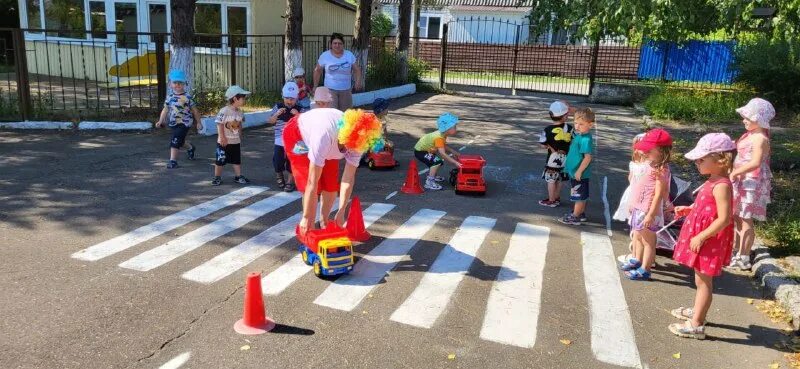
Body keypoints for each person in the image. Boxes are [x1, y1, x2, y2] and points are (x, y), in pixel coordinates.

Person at [283, 89, 383, 235]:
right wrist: (306, 217)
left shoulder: (359, 139)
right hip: (297, 134)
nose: (352, 151)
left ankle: (324, 221)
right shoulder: (323, 137)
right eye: (350, 146)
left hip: (331, 139)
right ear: (345, 137)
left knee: (330, 184)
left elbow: (348, 180)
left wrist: (341, 211)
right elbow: (312, 182)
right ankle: (309, 225)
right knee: (310, 180)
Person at [669, 133, 737, 340]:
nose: (697, 162)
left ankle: (697, 323)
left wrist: (701, 237)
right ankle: (699, 310)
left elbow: (724, 218)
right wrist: (690, 209)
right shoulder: (712, 180)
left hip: (709, 240)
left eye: (701, 159)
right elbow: (708, 208)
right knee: (700, 280)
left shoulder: (722, 185)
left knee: (703, 282)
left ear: (720, 160)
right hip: (705, 237)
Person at [728, 98, 774, 271]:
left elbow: (755, 162)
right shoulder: (750, 135)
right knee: (737, 215)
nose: (744, 120)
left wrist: (735, 172)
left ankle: (744, 256)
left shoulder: (760, 138)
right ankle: (736, 251)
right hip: (741, 180)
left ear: (758, 119)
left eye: (747, 117)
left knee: (745, 218)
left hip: (751, 182)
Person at [621, 128, 672, 280]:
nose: (645, 151)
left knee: (648, 240)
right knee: (637, 234)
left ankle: (645, 268)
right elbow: (638, 185)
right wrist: (633, 203)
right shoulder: (650, 164)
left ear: (661, 150)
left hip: (648, 210)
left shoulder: (661, 170)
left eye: (649, 149)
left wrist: (651, 213)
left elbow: (658, 194)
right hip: (639, 207)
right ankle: (637, 259)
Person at [155, 70, 202, 169]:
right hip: (173, 122)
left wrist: (199, 122)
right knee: (180, 141)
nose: (177, 85)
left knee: (175, 140)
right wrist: (161, 120)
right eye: (175, 82)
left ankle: (173, 161)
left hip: (185, 123)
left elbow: (195, 111)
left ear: (184, 84)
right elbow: (165, 109)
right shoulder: (170, 97)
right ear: (170, 84)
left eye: (180, 83)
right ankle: (190, 147)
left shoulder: (187, 97)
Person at [559, 108, 595, 225]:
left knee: (578, 196)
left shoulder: (585, 139)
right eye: (575, 123)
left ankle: (575, 216)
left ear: (590, 125)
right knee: (580, 195)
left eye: (581, 124)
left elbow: (587, 157)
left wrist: (579, 171)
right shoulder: (580, 135)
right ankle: (580, 213)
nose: (577, 126)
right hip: (576, 172)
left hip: (579, 174)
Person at [212, 85, 251, 186]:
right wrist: (222, 137)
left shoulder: (240, 112)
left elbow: (240, 123)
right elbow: (219, 124)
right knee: (220, 160)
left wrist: (240, 135)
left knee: (236, 160)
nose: (244, 100)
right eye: (243, 98)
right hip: (224, 142)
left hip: (235, 141)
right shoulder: (224, 111)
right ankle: (217, 177)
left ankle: (238, 176)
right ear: (235, 98)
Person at [267, 82, 303, 192]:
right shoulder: (278, 107)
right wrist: (276, 114)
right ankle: (279, 174)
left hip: (295, 140)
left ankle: (290, 181)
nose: (289, 101)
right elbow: (270, 121)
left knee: (293, 161)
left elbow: (306, 123)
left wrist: (297, 115)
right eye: (287, 98)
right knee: (278, 160)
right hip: (280, 140)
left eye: (292, 99)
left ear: (296, 98)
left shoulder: (300, 108)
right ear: (283, 97)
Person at [538, 100, 575, 207]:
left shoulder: (548, 129)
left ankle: (551, 200)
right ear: (565, 116)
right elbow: (573, 141)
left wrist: (549, 147)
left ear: (551, 115)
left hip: (552, 159)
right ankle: (557, 198)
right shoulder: (570, 128)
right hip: (566, 158)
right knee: (560, 178)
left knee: (551, 179)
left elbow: (543, 144)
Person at [413, 112, 463, 191]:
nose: (456, 129)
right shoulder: (439, 137)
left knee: (438, 162)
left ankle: (433, 176)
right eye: (454, 127)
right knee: (436, 162)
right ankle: (429, 182)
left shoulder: (442, 134)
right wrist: (455, 162)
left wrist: (452, 151)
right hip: (421, 152)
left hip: (426, 150)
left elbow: (442, 145)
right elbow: (442, 153)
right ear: (447, 128)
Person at [313, 33, 363, 111]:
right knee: (332, 113)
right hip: (330, 90)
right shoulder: (325, 55)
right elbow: (317, 71)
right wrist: (315, 86)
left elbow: (357, 70)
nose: (337, 45)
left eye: (340, 43)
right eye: (335, 43)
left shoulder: (349, 55)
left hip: (346, 90)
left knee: (346, 113)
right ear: (331, 44)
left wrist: (358, 82)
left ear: (343, 44)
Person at [613, 133, 648, 222]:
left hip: (633, 191)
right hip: (642, 193)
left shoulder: (635, 163)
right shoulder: (648, 165)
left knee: (634, 216)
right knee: (638, 217)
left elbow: (630, 178)